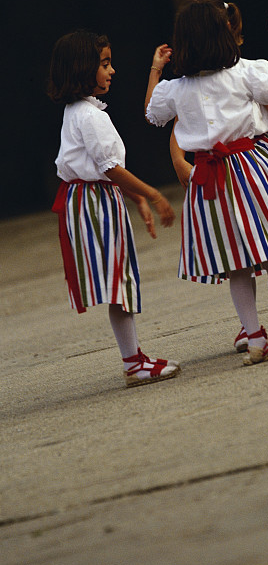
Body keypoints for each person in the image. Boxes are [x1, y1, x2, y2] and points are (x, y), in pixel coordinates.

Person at [145, 0, 268, 364]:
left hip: (210, 179)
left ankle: (257, 340)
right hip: (252, 169)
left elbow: (153, 113)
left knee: (237, 264)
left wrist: (155, 71)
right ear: (224, 35)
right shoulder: (248, 71)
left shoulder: (177, 89)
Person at [49, 30, 181, 386]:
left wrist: (134, 197)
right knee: (119, 281)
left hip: (90, 200)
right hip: (95, 205)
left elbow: (102, 169)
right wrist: (152, 194)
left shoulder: (77, 111)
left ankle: (134, 357)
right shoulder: (90, 117)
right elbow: (110, 168)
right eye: (104, 63)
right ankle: (133, 362)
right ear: (83, 68)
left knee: (119, 281)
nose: (112, 70)